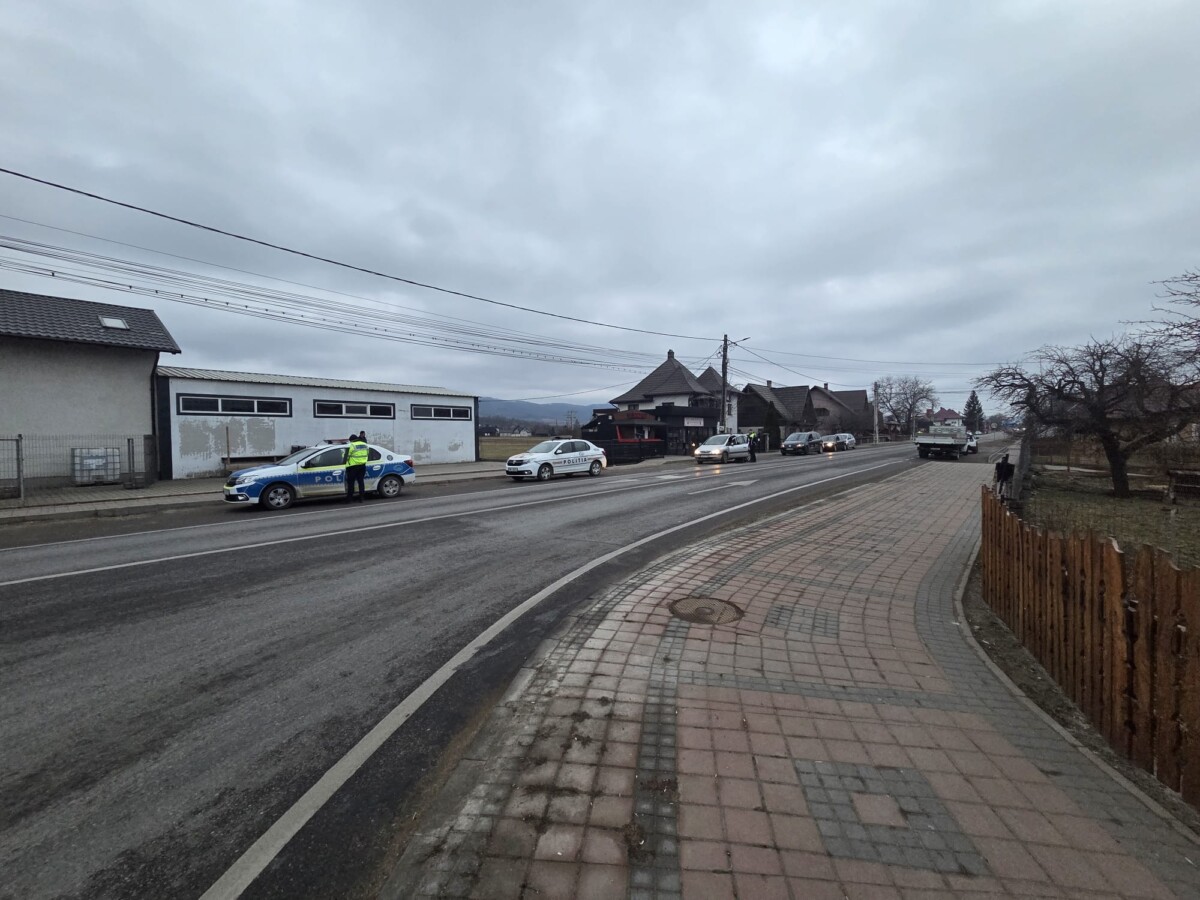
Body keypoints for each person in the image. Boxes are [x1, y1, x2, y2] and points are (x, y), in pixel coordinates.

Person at [345, 432, 369, 502]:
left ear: (351, 440)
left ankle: (349, 498)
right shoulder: (365, 444)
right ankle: (361, 498)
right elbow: (367, 454)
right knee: (361, 481)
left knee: (351, 482)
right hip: (362, 465)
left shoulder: (352, 445)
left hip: (353, 466)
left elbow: (347, 456)